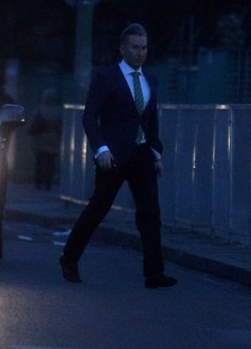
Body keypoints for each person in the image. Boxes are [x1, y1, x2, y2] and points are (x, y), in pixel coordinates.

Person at [59, 23, 177, 289]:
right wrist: (101, 148)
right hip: (112, 157)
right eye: (135, 47)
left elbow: (150, 119)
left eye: (144, 48)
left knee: (150, 214)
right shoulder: (106, 78)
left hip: (142, 154)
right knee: (98, 209)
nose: (140, 53)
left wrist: (156, 153)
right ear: (123, 48)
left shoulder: (150, 79)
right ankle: (69, 257)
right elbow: (90, 116)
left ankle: (154, 274)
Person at [27, 88, 62, 190]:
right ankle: (48, 183)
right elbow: (61, 127)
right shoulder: (59, 111)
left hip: (39, 139)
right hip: (53, 139)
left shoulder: (38, 109)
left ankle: (38, 183)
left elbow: (32, 123)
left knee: (39, 162)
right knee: (50, 163)